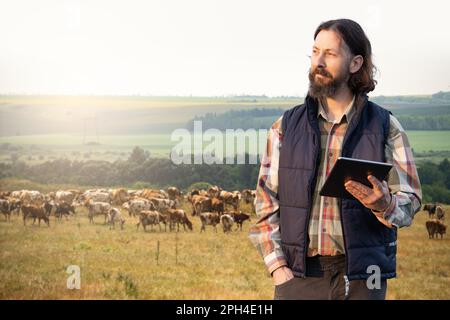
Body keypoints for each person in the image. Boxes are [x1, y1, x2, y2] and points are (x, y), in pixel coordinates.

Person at [248, 19, 422, 300]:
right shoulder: (285, 127)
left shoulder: (386, 126)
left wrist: (385, 205)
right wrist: (278, 269)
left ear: (355, 63)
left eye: (330, 54)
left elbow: (411, 200)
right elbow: (266, 202)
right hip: (299, 277)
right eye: (315, 52)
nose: (318, 61)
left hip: (365, 279)